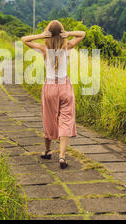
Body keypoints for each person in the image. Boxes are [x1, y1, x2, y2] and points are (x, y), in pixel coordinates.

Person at [21, 20, 86, 169]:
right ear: (62, 33)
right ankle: (62, 157)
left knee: (48, 118)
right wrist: (68, 34)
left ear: (48, 34)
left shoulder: (44, 49)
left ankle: (47, 150)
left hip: (49, 87)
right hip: (65, 87)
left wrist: (41, 35)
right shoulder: (67, 46)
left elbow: (24, 39)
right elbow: (83, 34)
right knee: (65, 120)